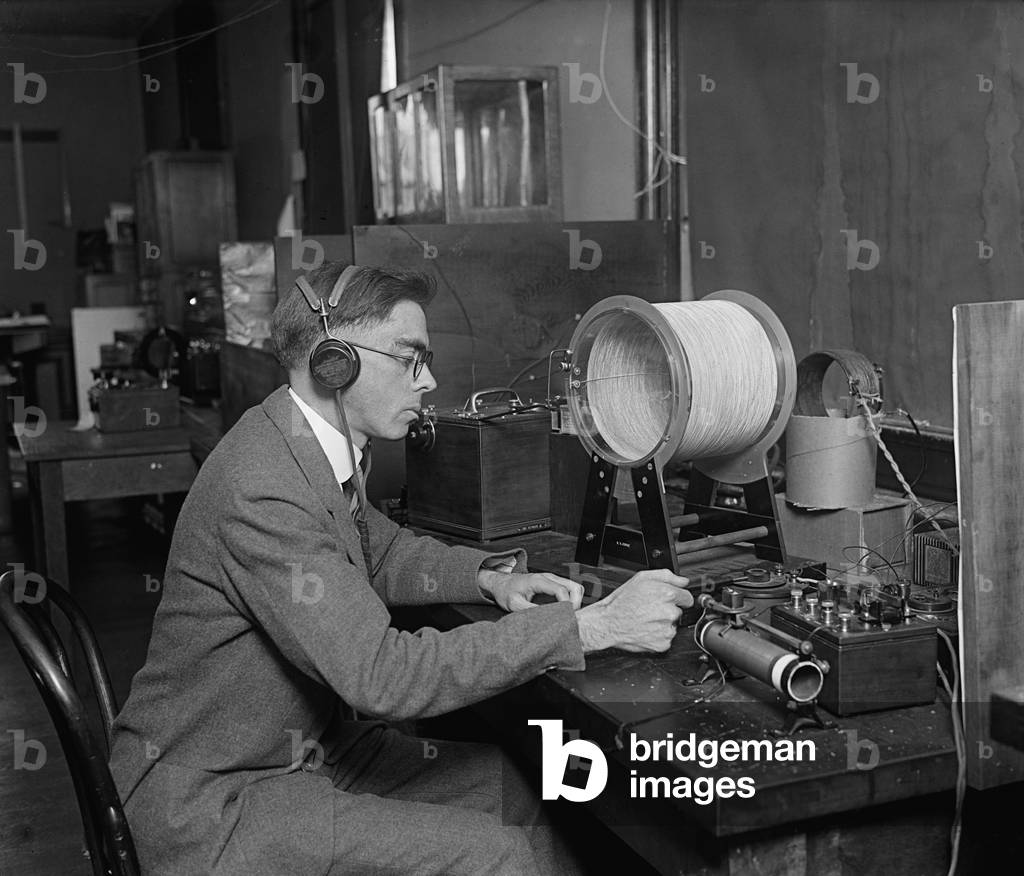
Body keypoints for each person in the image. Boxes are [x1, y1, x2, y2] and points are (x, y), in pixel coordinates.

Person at [110, 261, 692, 875]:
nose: (429, 380)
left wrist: (490, 578)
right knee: (492, 853)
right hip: (216, 798)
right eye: (410, 358)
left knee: (522, 786)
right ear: (335, 360)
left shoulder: (308, 445)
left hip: (306, 750)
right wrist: (588, 628)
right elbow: (381, 676)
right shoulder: (263, 486)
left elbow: (379, 551)